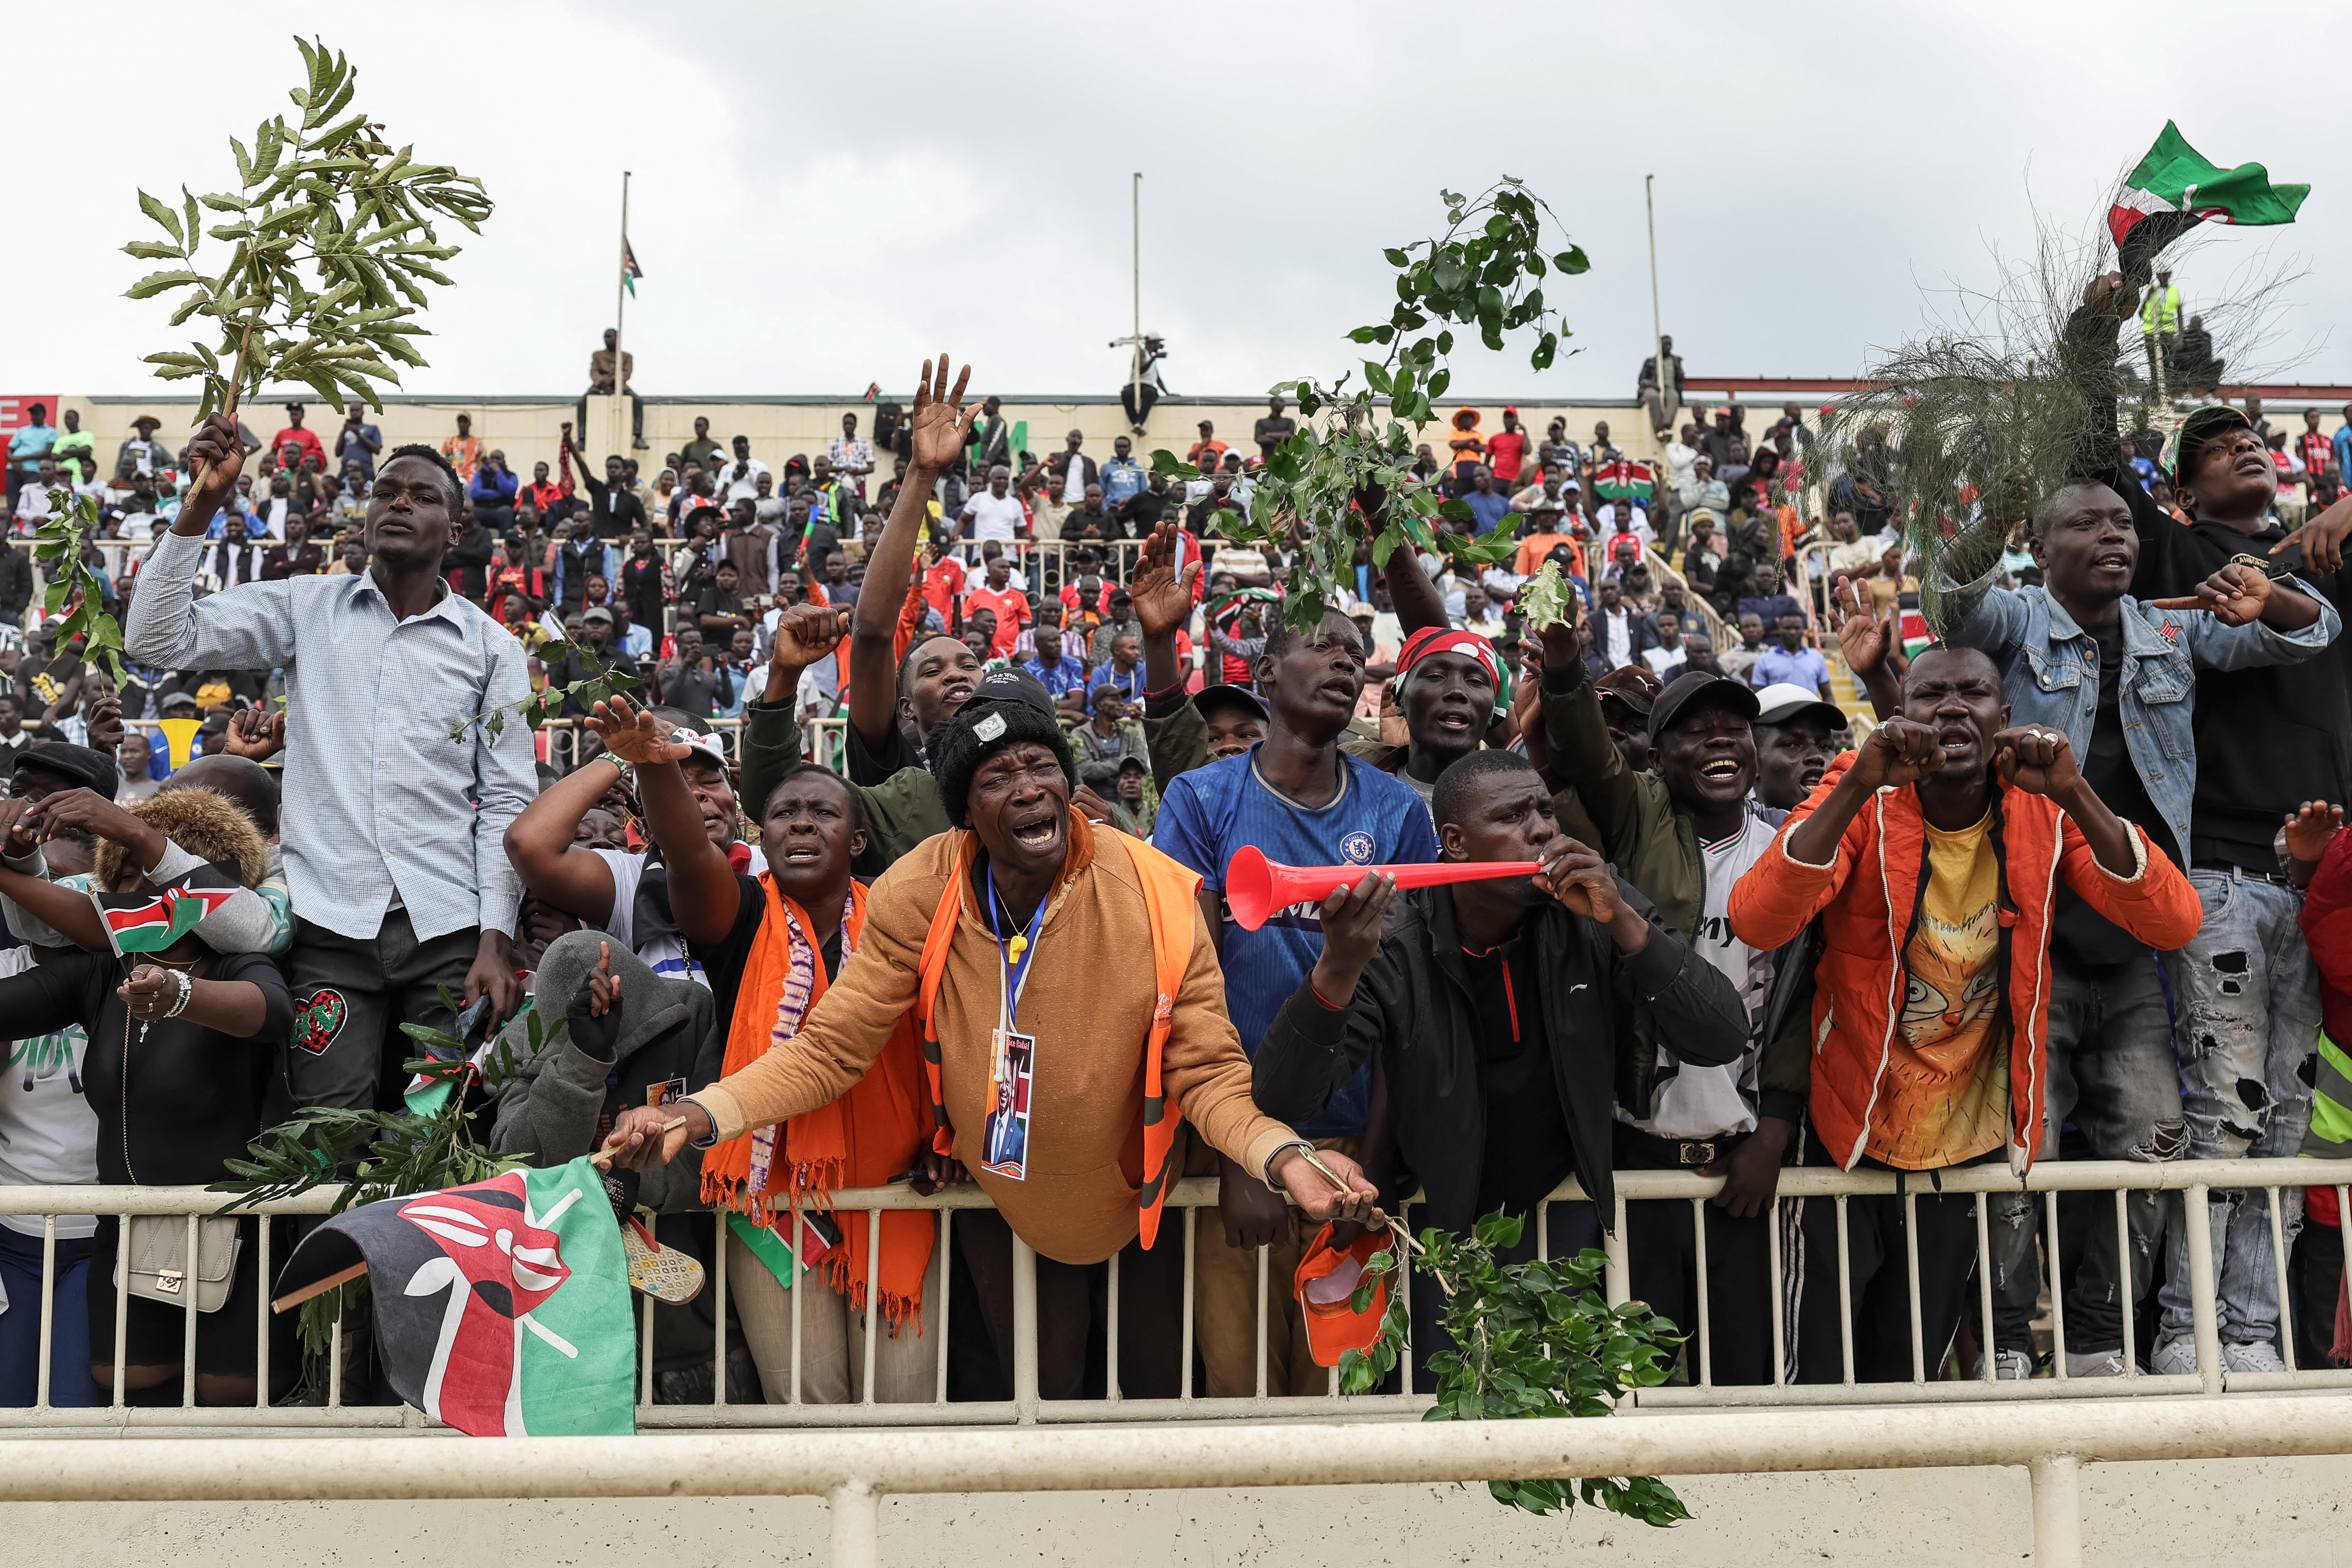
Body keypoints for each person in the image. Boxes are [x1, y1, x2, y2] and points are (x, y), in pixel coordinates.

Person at [602, 671, 1384, 1404]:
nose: (1026, 788)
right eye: (995, 777)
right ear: (965, 811)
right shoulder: (917, 886)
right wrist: (698, 1115)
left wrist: (1282, 1154)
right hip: (998, 1191)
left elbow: (1207, 1070)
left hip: (1136, 1192)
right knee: (1032, 1401)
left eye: (1040, 765)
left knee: (1152, 1393)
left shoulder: (1155, 890)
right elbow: (831, 1049)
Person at [1927, 476, 2335, 1378]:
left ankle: (2099, 1338)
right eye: (2085, 523)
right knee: (2018, 1141)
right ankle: (2007, 1343)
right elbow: (1945, 602)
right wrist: (1979, 529)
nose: (2112, 536)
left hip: (2142, 932)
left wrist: (2273, 593)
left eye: (2122, 523)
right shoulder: (2017, 620)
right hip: (2025, 925)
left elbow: (2314, 632)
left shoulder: (2171, 626)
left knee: (2153, 1134)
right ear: (2039, 544)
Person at [1729, 645, 2201, 1383]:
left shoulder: (2043, 807)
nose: (1951, 706)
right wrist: (1855, 783)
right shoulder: (1864, 793)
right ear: (1900, 715)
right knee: (1818, 1365)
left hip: (1964, 1142)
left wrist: (2077, 792)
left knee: (1912, 1363)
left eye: (1973, 692)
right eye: (1930, 694)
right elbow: (1758, 917)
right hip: (1844, 1128)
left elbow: (2172, 921)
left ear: (2003, 719)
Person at [1252, 748, 1746, 1387]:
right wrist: (1337, 968)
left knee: (1563, 1409)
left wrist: (1624, 922)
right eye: (1513, 816)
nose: (1542, 829)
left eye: (1545, 810)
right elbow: (1285, 1095)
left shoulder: (1592, 904)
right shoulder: (1394, 939)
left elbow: (1721, 1034)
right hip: (1443, 1224)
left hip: (1565, 1207)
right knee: (1455, 1412)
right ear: (1455, 842)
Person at [125, 414, 533, 1117]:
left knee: (436, 1138)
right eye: (386, 491)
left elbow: (505, 804)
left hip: (448, 933)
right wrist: (203, 503)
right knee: (324, 1136)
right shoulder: (306, 609)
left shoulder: (495, 650)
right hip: (328, 930)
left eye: (423, 496)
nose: (399, 502)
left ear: (457, 533)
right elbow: (156, 638)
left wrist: (494, 939)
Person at [1149, 564, 1439, 1399]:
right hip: (1229, 1142)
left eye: (1356, 650)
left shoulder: (1395, 813)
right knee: (1240, 1393)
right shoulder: (1200, 797)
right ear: (1266, 674)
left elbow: (1402, 1006)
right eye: (1322, 644)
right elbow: (1187, 983)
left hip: (1353, 1151)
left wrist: (1375, 1159)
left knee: (1337, 1399)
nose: (1347, 661)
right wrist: (1246, 1153)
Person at [0, 786, 295, 1404]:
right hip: (129, 1230)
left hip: (236, 1233)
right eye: (123, 874)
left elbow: (266, 1013)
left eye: (157, 869)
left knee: (228, 1399)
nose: (138, 887)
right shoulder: (101, 970)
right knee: (123, 1392)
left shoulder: (244, 963)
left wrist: (182, 996)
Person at [1747, 683, 1845, 812]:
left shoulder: (1862, 827)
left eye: (1824, 746)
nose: (1816, 756)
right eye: (1791, 745)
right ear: (1752, 760)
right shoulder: (1723, 831)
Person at [582, 328, 645, 450]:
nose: (607, 339)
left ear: (617, 339)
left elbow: (627, 374)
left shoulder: (626, 357)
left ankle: (638, 437)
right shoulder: (598, 355)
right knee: (582, 403)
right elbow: (594, 372)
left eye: (610, 337)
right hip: (599, 387)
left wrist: (613, 380)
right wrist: (602, 382)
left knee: (638, 402)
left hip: (620, 386)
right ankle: (581, 439)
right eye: (605, 337)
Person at [1748, 611, 1831, 698]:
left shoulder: (1817, 658)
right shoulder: (1764, 661)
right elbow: (1758, 697)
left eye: (1797, 628)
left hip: (1810, 710)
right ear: (1779, 629)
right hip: (1779, 711)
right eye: (1787, 628)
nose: (1792, 632)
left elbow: (1828, 696)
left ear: (1804, 630)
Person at [1639, 335, 1686, 440]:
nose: (1668, 347)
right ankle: (1659, 427)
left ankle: (1666, 425)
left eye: (1670, 344)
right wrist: (1653, 385)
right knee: (1653, 397)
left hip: (1669, 388)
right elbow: (1642, 380)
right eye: (1665, 344)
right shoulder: (1650, 361)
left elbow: (1681, 377)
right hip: (1653, 388)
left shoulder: (1676, 361)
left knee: (1674, 397)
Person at [267, 403, 325, 475]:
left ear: (303, 416)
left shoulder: (311, 435)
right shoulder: (281, 433)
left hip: (301, 471)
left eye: (296, 415)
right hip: (283, 471)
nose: (293, 418)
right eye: (292, 415)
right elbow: (272, 454)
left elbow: (321, 456)